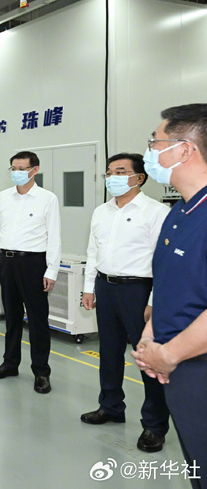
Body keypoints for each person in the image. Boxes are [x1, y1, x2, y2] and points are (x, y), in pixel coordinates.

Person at [133, 104, 207, 488]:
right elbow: (167, 284)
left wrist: (169, 354)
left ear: (185, 149)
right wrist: (151, 339)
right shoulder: (179, 212)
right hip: (176, 369)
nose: (149, 152)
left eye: (155, 143)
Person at [80, 153, 170, 453]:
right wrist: (88, 288)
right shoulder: (101, 212)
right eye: (109, 172)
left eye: (120, 172)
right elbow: (93, 251)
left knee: (146, 357)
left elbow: (163, 261)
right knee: (109, 352)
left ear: (139, 178)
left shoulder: (155, 212)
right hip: (105, 286)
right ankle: (110, 406)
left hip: (139, 291)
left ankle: (154, 425)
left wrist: (154, 300)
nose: (112, 178)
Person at [0, 151, 61, 394]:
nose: (17, 173)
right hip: (7, 262)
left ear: (34, 170)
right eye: (13, 169)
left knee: (38, 320)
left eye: (22, 168)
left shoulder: (47, 198)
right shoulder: (3, 197)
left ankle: (41, 371)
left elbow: (54, 236)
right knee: (12, 317)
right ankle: (10, 363)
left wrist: (51, 270)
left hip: (34, 263)